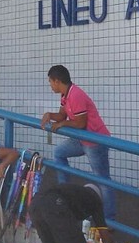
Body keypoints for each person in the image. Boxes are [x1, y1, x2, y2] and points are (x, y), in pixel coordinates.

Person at [40, 65, 116, 219]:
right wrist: (50, 115)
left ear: (57, 80)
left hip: (95, 140)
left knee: (102, 180)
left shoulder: (75, 95)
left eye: (50, 82)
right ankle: (65, 195)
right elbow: (62, 116)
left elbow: (80, 123)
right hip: (82, 138)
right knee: (59, 153)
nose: (50, 85)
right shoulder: (65, 94)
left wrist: (62, 124)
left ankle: (109, 220)